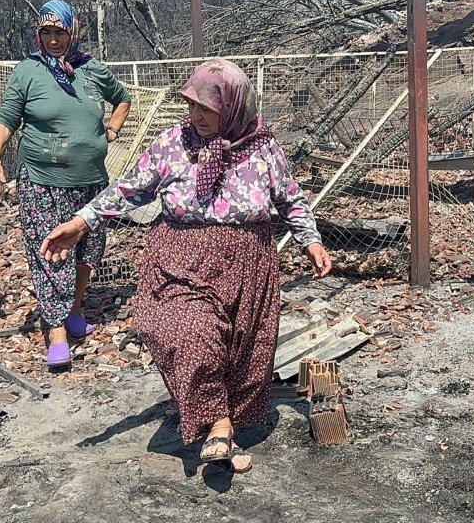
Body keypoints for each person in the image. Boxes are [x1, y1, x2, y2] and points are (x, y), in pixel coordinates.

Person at [40, 58, 332, 473]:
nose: (195, 116)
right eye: (191, 105)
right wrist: (82, 221)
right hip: (180, 257)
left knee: (239, 350)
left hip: (248, 262)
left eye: (206, 108)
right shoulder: (173, 142)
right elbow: (129, 188)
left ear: (232, 107)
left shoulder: (264, 146)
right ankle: (218, 421)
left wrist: (311, 240)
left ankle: (221, 426)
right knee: (181, 328)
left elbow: (290, 198)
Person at [0, 0, 132, 368]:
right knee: (51, 253)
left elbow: (123, 99)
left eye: (60, 32)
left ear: (73, 31)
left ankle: (75, 308)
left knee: (89, 252)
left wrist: (112, 128)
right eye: (46, 32)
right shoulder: (28, 71)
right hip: (43, 182)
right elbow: (6, 119)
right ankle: (55, 330)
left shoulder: (92, 69)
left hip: (91, 183)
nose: (53, 39)